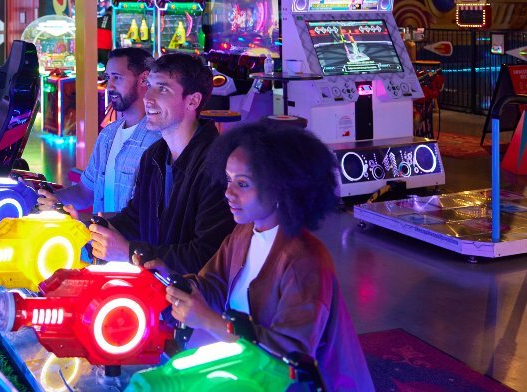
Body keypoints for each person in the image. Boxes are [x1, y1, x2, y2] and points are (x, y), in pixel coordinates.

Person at [164, 122, 374, 391]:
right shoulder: (243, 233)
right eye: (228, 180)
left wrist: (209, 321)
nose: (228, 193)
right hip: (250, 374)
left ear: (281, 189)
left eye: (243, 184)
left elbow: (289, 360)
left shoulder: (304, 261)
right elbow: (213, 285)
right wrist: (175, 283)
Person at [90, 53, 233, 274]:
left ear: (192, 101)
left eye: (163, 89)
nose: (148, 97)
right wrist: (87, 230)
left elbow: (207, 254)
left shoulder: (218, 164)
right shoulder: (154, 156)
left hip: (192, 301)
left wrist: (130, 252)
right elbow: (137, 219)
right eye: (150, 86)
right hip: (156, 294)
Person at [37, 48, 161, 218]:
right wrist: (50, 199)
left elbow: (147, 216)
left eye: (117, 77)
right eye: (108, 78)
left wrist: (87, 222)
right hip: (100, 242)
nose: (109, 86)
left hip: (130, 244)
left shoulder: (159, 140)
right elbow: (85, 192)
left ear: (144, 79)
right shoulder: (108, 135)